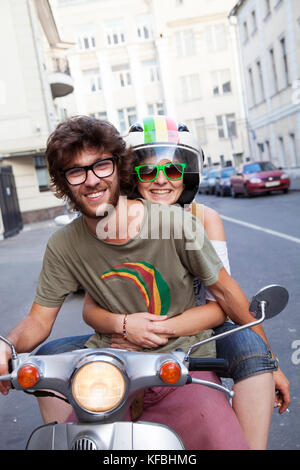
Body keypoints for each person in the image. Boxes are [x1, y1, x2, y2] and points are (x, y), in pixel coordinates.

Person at [0, 116, 282, 449]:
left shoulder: (178, 224)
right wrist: (7, 344)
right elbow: (38, 319)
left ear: (119, 169)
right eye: (76, 171)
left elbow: (226, 295)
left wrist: (269, 362)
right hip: (110, 373)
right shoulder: (64, 244)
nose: (91, 180)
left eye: (101, 166)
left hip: (184, 362)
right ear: (63, 183)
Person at [81, 115, 290, 450]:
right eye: (147, 171)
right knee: (53, 356)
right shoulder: (114, 221)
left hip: (195, 331)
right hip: (125, 334)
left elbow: (224, 300)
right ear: (131, 177)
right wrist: (126, 326)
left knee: (251, 349)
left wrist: (271, 362)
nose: (161, 179)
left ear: (188, 175)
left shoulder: (203, 219)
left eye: (173, 170)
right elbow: (91, 305)